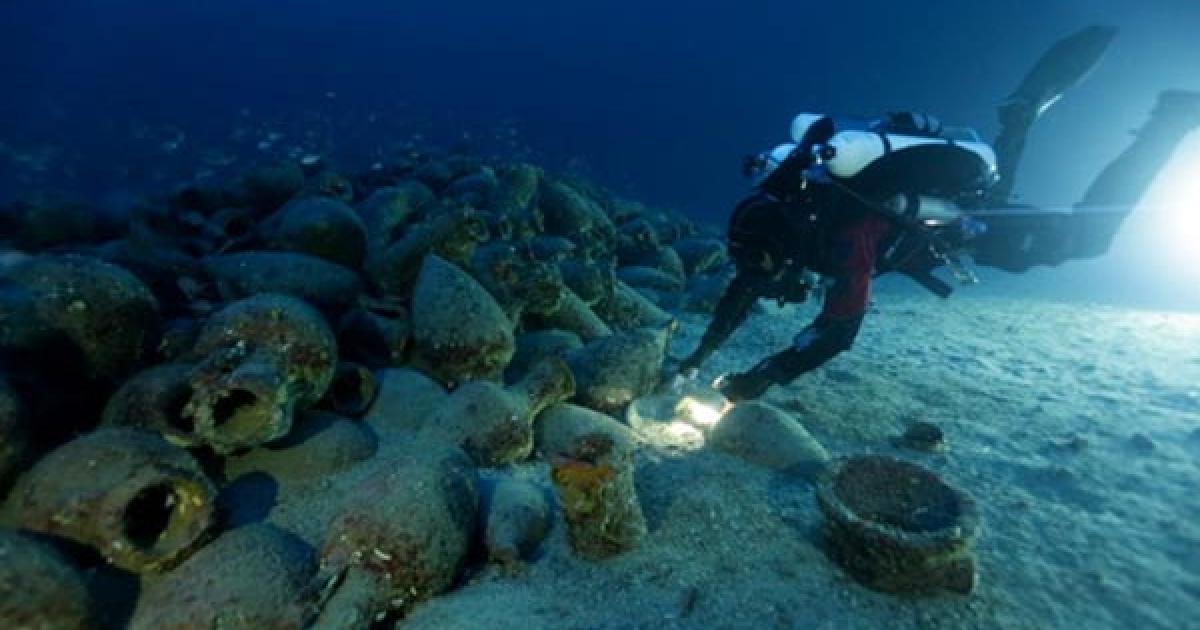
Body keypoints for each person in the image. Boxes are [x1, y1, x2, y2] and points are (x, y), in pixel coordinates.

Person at [677, 25, 1200, 403]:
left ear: (784, 241)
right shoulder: (795, 199)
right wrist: (695, 360)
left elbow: (837, 330)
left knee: (1088, 237)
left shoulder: (845, 237)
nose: (757, 281)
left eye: (763, 269)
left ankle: (1167, 123)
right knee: (996, 190)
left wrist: (763, 376)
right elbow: (742, 288)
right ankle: (1018, 118)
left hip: (959, 227)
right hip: (944, 210)